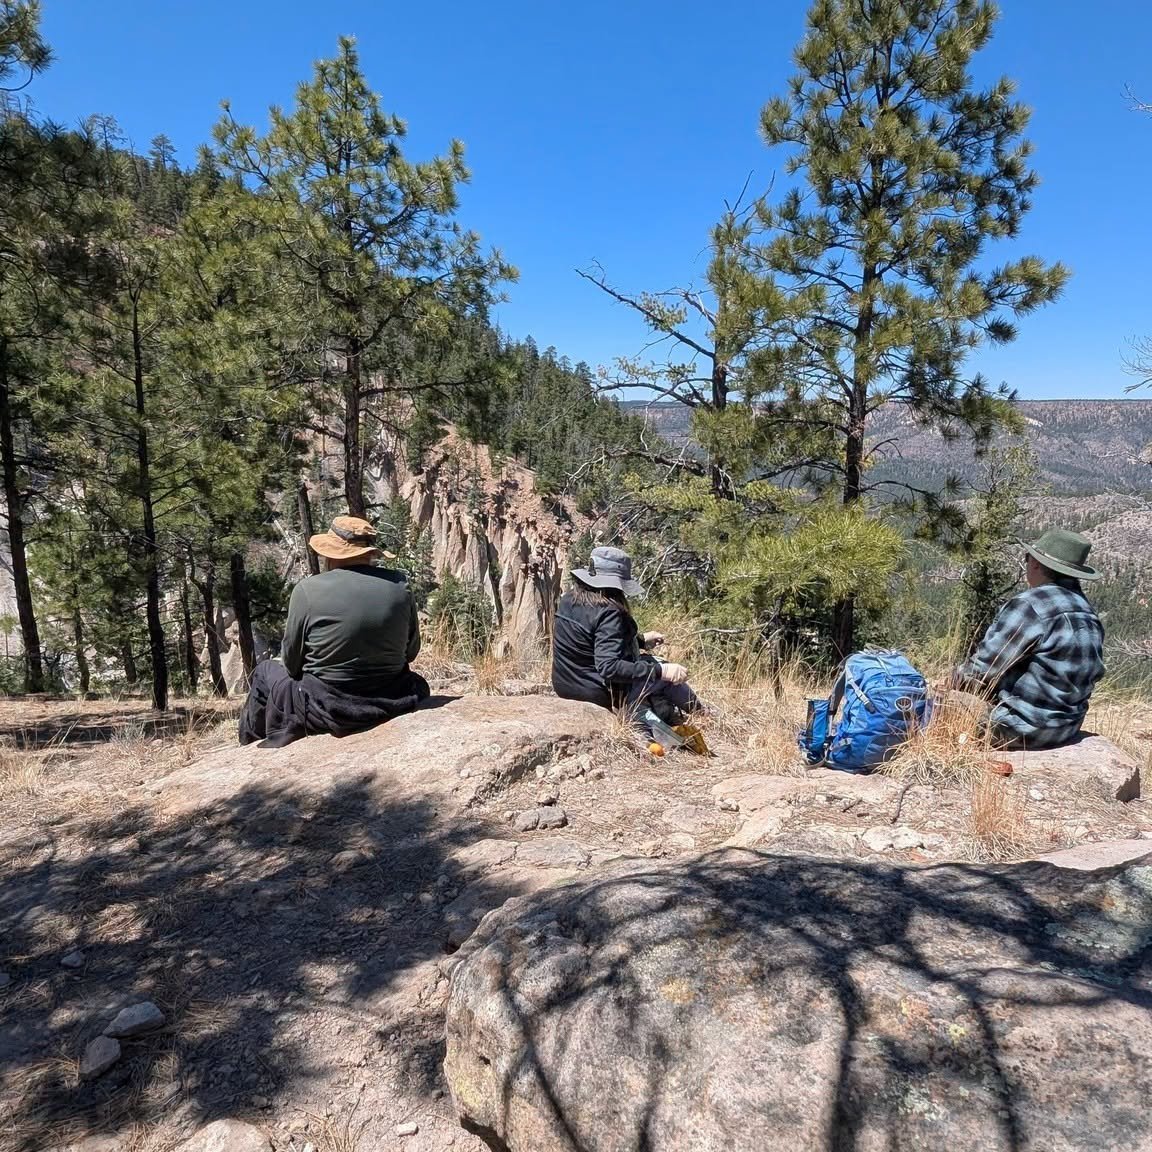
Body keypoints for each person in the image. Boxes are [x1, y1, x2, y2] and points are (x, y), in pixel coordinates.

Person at [238, 515, 430, 747]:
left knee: (264, 671)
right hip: (393, 695)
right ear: (370, 553)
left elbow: (291, 664)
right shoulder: (400, 585)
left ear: (330, 554)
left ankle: (248, 748)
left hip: (328, 706)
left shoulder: (307, 590)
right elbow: (411, 652)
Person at [950, 528, 1105, 750]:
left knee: (919, 709)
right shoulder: (1087, 611)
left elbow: (984, 669)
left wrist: (948, 684)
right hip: (1068, 728)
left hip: (1019, 727)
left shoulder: (1030, 604)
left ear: (1035, 564)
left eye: (1027, 558)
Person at [551, 546, 701, 726]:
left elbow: (588, 641)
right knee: (664, 670)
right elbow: (609, 667)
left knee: (650, 666)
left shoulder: (569, 598)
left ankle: (668, 712)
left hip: (564, 685)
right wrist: (662, 672)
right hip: (597, 692)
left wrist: (641, 640)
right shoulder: (609, 612)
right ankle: (701, 714)